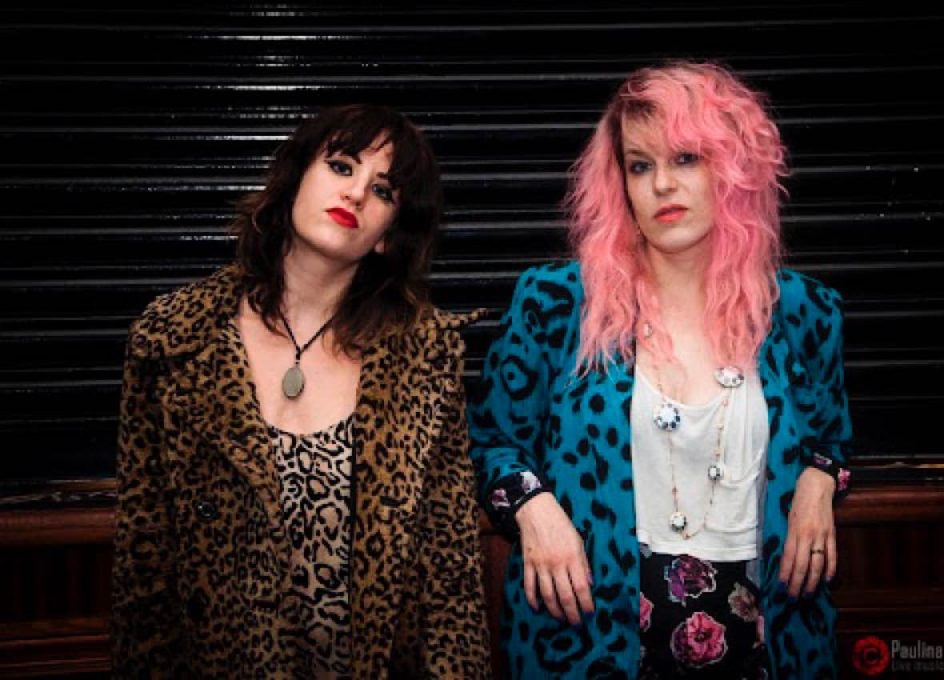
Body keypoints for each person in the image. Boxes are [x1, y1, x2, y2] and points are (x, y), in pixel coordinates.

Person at [470, 62, 852, 679]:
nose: (662, 184)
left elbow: (832, 437)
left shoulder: (802, 312)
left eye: (686, 159)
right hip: (590, 637)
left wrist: (819, 477)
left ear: (733, 168)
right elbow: (492, 441)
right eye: (640, 165)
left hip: (769, 636)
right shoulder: (558, 304)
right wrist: (534, 509)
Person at [112, 103, 491, 678]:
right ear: (293, 180)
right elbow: (144, 563)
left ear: (389, 235)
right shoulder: (172, 339)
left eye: (383, 190)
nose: (356, 193)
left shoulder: (425, 355)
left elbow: (450, 568)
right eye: (341, 166)